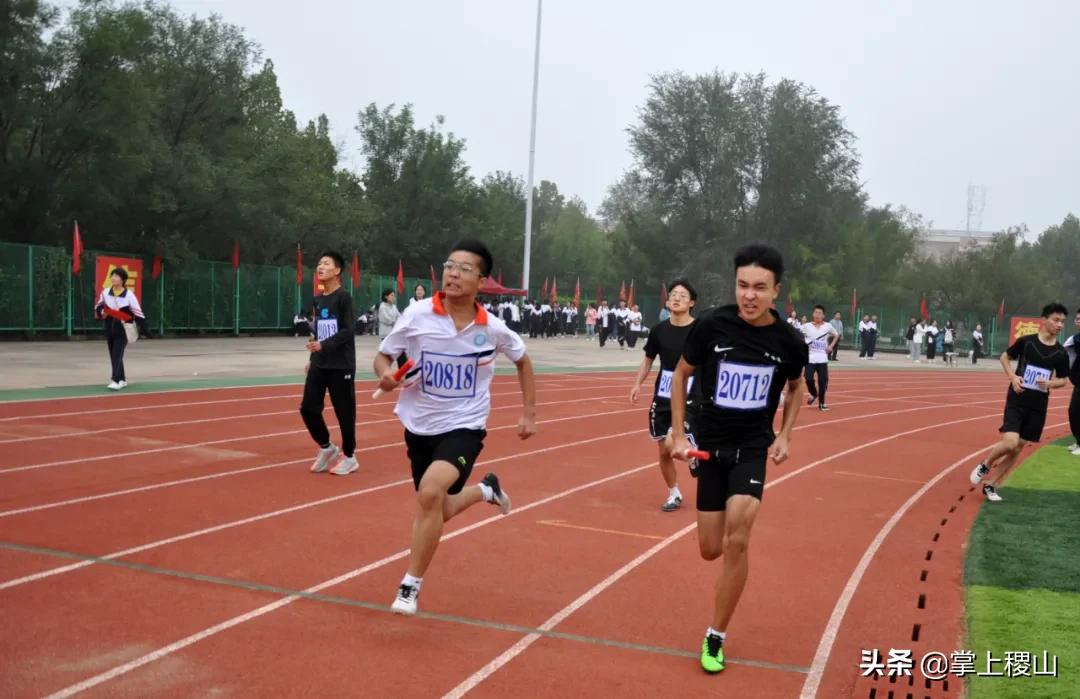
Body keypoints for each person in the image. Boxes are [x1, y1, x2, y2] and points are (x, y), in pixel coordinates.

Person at [375, 239, 537, 615]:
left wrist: (529, 412)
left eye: (465, 268)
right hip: (418, 423)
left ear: (482, 280)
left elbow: (523, 361)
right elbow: (383, 354)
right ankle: (485, 491)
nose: (453, 273)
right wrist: (386, 375)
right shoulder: (417, 315)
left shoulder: (494, 329)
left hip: (465, 424)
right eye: (449, 265)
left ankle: (410, 586)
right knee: (438, 506)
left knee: (430, 493)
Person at [668, 243, 808, 674]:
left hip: (751, 450)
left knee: (739, 539)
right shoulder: (712, 325)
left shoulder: (788, 341)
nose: (749, 295)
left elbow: (797, 387)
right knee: (710, 549)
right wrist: (677, 432)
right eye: (743, 285)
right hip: (709, 448)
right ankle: (719, 522)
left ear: (776, 291)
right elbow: (680, 376)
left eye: (759, 288)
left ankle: (716, 636)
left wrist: (784, 435)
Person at [969, 303, 1070, 501]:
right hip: (1018, 397)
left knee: (1018, 448)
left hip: (1039, 405)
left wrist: (1050, 383)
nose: (1060, 325)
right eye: (1056, 320)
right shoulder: (1027, 342)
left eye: (1062, 322)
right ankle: (986, 464)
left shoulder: (1060, 353)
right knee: (1010, 442)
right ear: (1044, 319)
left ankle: (991, 485)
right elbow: (1005, 357)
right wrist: (1013, 378)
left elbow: (1064, 380)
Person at [629, 278, 698, 512]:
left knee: (672, 443)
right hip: (663, 395)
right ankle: (674, 493)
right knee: (663, 450)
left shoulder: (699, 330)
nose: (676, 298)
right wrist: (637, 384)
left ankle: (691, 456)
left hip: (690, 394)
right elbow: (648, 359)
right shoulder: (659, 330)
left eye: (682, 295)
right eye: (673, 294)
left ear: (692, 303)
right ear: (667, 301)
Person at [300, 252, 359, 476]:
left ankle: (350, 456)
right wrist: (312, 357)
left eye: (325, 263)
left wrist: (324, 346)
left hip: (341, 364)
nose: (320, 267)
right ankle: (326, 447)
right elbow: (316, 331)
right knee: (308, 408)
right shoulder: (318, 298)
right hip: (320, 362)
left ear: (337, 271)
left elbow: (348, 330)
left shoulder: (344, 297)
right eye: (318, 263)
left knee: (344, 412)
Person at [94, 267, 149, 390]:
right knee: (114, 354)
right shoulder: (105, 292)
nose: (113, 278)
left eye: (116, 276)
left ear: (123, 280)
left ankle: (115, 380)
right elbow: (98, 306)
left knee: (116, 354)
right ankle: (122, 379)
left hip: (123, 328)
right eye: (112, 276)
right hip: (109, 328)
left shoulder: (129, 295)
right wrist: (103, 311)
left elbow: (138, 313)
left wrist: (146, 330)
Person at [802, 305, 839, 411]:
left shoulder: (828, 326)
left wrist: (831, 346)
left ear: (823, 315)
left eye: (820, 313)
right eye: (816, 313)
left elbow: (836, 335)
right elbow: (797, 334)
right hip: (810, 358)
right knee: (808, 378)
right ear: (813, 314)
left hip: (822, 358)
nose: (817, 315)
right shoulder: (807, 326)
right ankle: (813, 393)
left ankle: (822, 403)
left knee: (823, 382)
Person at [1064, 308, 1080, 455]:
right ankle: (1078, 441)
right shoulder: (1074, 339)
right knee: (1073, 411)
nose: (1078, 321)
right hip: (1078, 383)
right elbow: (1064, 354)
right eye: (1077, 319)